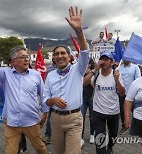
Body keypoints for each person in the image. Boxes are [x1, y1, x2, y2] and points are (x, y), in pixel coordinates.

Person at [43, 6, 89, 154]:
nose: (60, 55)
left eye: (63, 53)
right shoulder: (50, 76)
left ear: (69, 57)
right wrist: (53, 100)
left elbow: (84, 52)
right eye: (56, 54)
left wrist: (78, 31)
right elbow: (45, 99)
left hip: (74, 119)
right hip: (55, 119)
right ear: (53, 59)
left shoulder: (78, 69)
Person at [0, 46, 48, 154]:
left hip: (31, 121)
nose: (27, 59)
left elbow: (43, 94)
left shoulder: (35, 75)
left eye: (27, 57)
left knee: (40, 148)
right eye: (22, 57)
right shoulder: (5, 74)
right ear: (13, 61)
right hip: (11, 123)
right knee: (10, 151)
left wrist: (45, 112)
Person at [84, 50, 125, 154]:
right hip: (98, 112)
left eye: (106, 59)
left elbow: (122, 93)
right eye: (102, 59)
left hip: (114, 111)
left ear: (111, 62)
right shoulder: (96, 74)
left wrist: (116, 80)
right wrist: (94, 70)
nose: (104, 62)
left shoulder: (116, 74)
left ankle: (110, 147)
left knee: (113, 135)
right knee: (100, 139)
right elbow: (83, 83)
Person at [116, 60, 141, 135]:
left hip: (133, 93)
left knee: (135, 110)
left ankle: (137, 126)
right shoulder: (119, 68)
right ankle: (125, 126)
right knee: (122, 110)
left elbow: (138, 79)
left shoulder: (135, 67)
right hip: (122, 93)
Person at [81, 58, 95, 147]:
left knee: (92, 118)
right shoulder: (80, 72)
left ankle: (92, 134)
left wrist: (89, 78)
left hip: (91, 98)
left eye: (87, 64)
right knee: (81, 118)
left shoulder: (94, 73)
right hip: (82, 98)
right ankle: (80, 137)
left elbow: (95, 87)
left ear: (90, 64)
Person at [42, 57, 57, 144]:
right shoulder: (49, 69)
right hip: (51, 97)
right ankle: (48, 135)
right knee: (50, 116)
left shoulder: (68, 68)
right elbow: (46, 82)